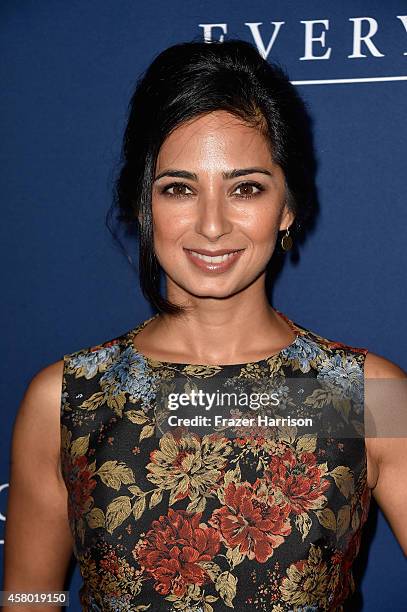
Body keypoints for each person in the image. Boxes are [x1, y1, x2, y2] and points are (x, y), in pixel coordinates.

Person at [3, 39, 407, 612]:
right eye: (179, 189)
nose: (212, 224)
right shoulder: (65, 399)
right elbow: (28, 595)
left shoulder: (372, 395)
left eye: (245, 188)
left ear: (286, 205)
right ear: (144, 206)